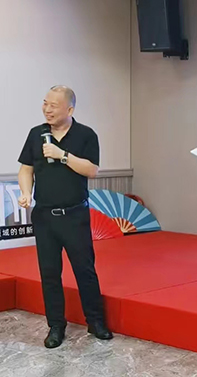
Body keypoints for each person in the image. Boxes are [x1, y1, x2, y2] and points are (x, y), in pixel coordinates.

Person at [17, 86, 113, 349]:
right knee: (49, 273)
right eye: (45, 103)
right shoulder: (36, 134)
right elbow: (26, 169)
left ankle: (96, 322)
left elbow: (92, 170)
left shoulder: (86, 134)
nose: (47, 109)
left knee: (85, 270)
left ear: (69, 109)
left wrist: (62, 155)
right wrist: (25, 192)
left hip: (74, 215)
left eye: (54, 105)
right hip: (44, 216)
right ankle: (56, 326)